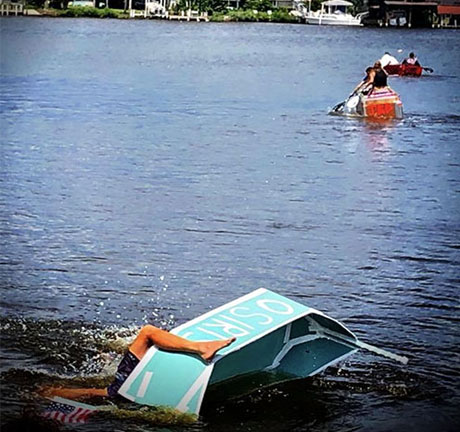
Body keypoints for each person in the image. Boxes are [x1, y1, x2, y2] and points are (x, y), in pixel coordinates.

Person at [39, 325, 235, 401]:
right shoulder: (114, 390)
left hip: (121, 391)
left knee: (102, 392)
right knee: (147, 332)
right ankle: (199, 348)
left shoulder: (109, 391)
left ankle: (49, 393)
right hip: (123, 388)